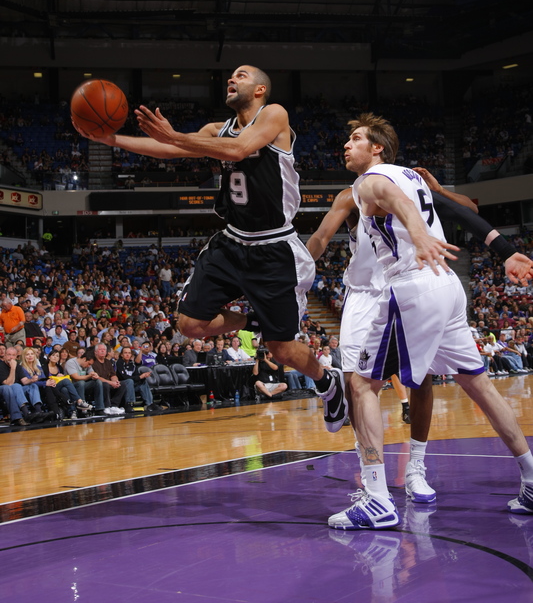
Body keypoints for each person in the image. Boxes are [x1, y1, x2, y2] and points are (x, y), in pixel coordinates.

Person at [74, 65, 347, 432]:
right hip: (232, 242)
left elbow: (239, 149)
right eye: (231, 76)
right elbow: (170, 148)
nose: (232, 79)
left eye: (242, 75)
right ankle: (252, 321)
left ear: (260, 89)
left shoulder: (274, 114)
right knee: (189, 324)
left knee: (281, 349)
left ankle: (328, 381)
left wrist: (175, 136)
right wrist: (112, 140)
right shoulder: (217, 130)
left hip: (274, 247)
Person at [328, 112, 533, 530]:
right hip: (448, 287)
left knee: (361, 385)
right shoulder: (414, 177)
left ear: (377, 148)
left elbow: (392, 198)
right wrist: (505, 250)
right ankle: (531, 478)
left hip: (413, 287)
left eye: (356, 139)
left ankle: (377, 499)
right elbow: (460, 211)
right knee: (479, 385)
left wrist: (418, 234)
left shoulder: (369, 181)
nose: (347, 145)